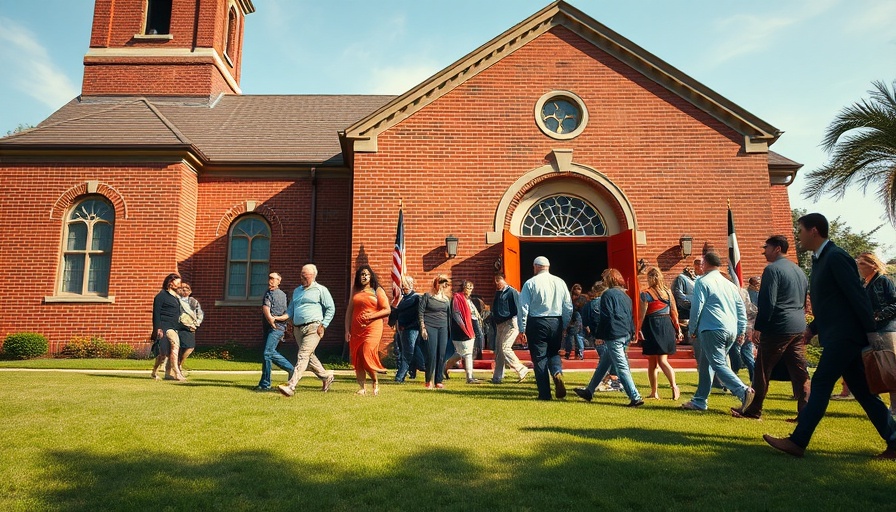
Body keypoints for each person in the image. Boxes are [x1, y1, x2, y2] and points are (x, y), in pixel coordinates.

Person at [763, 213, 896, 459]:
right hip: (838, 335)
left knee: (822, 383)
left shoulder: (836, 257)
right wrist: (812, 329)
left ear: (814, 231)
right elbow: (831, 303)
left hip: (846, 336)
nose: (798, 235)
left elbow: (856, 296)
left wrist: (870, 332)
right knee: (864, 392)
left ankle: (798, 441)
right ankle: (894, 439)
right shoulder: (819, 259)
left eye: (800, 230)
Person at [732, 235, 810, 420]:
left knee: (762, 369)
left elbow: (768, 302)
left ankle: (753, 410)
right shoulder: (799, 271)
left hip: (778, 326)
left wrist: (759, 327)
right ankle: (806, 413)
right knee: (800, 371)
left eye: (766, 247)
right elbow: (804, 300)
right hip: (798, 325)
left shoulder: (772, 270)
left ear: (776, 248)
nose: (763, 251)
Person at [680, 252, 754, 412]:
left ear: (705, 263)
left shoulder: (702, 282)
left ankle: (743, 391)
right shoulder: (730, 284)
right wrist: (741, 330)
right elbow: (741, 308)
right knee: (707, 365)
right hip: (731, 329)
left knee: (718, 363)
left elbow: (696, 307)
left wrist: (692, 329)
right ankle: (699, 401)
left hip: (712, 328)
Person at [573, 268, 643, 407]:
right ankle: (589, 391)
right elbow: (630, 315)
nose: (603, 281)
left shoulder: (607, 294)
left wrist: (600, 335)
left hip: (614, 334)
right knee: (603, 365)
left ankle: (635, 397)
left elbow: (607, 316)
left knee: (621, 366)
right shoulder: (626, 296)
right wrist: (633, 332)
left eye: (605, 279)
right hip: (625, 333)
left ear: (609, 280)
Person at [517, 256, 573, 400]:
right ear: (548, 266)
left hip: (537, 321)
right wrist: (564, 324)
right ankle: (556, 372)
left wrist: (522, 329)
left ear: (535, 266)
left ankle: (544, 393)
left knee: (539, 357)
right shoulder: (560, 282)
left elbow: (523, 308)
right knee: (553, 352)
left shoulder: (530, 283)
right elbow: (568, 306)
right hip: (556, 320)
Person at [277, 264, 336, 397]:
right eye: (301, 275)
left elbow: (331, 308)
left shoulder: (321, 290)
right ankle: (326, 377)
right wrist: (281, 318)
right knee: (309, 357)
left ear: (313, 276)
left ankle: (291, 386)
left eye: (305, 275)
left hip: (314, 327)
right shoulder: (297, 291)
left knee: (303, 355)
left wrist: (323, 325)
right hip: (298, 329)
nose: (302, 277)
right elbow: (291, 309)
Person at [856, 251, 896, 417]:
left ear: (872, 265)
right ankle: (882, 406)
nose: (859, 267)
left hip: (886, 329)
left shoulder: (883, 281)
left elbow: (895, 303)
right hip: (871, 331)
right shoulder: (863, 283)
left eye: (862, 264)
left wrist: (879, 315)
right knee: (875, 369)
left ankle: (894, 407)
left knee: (891, 369)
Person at [345, 265, 391, 395]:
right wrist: (346, 330)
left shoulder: (377, 290)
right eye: (361, 274)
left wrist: (371, 316)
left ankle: (375, 381)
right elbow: (349, 311)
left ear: (371, 276)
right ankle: (362, 387)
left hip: (373, 327)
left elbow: (387, 310)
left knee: (366, 353)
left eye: (366, 274)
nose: (364, 277)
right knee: (358, 357)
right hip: (356, 328)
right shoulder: (356, 290)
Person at [638, 267, 682, 400]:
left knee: (653, 362)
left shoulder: (645, 293)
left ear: (650, 279)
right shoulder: (668, 293)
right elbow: (674, 312)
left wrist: (638, 329)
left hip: (652, 326)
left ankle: (655, 391)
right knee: (663, 360)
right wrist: (678, 329)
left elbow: (642, 314)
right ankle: (673, 386)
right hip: (666, 325)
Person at [256, 273, 294, 391]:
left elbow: (266, 309)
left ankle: (291, 369)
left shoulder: (272, 294)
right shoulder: (277, 294)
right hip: (274, 327)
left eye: (273, 279)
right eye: (269, 278)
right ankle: (264, 384)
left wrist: (272, 321)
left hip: (276, 328)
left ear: (279, 281)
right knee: (266, 355)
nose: (270, 281)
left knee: (268, 353)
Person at [490, 273, 529, 384]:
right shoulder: (498, 293)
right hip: (499, 325)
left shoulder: (512, 292)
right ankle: (497, 377)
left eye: (499, 280)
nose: (497, 283)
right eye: (495, 281)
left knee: (505, 347)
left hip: (510, 323)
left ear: (504, 280)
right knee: (499, 352)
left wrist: (522, 328)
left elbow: (519, 308)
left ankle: (521, 369)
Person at [419, 274, 452, 389]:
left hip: (443, 328)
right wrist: (423, 328)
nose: (443, 285)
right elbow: (421, 312)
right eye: (441, 283)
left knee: (441, 354)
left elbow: (449, 315)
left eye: (445, 284)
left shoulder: (446, 299)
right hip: (430, 326)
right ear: (436, 284)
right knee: (431, 354)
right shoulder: (427, 296)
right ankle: (429, 380)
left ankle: (439, 380)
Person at [445, 280, 482, 384]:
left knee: (463, 353)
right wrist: (464, 327)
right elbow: (456, 315)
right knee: (466, 353)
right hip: (460, 330)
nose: (469, 290)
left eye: (471, 288)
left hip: (470, 328)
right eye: (468, 288)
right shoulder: (457, 298)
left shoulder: (469, 300)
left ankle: (445, 366)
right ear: (463, 288)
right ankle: (469, 377)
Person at [151, 273, 186, 381]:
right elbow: (156, 314)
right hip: (165, 326)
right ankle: (177, 373)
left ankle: (154, 371)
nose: (179, 285)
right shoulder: (161, 296)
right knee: (175, 346)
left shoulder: (176, 297)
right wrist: (157, 329)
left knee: (163, 354)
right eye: (177, 282)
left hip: (174, 326)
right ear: (170, 283)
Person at [391, 276, 425, 383]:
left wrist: (408, 326)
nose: (402, 289)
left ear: (410, 286)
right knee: (414, 353)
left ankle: (399, 377)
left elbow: (418, 315)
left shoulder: (415, 298)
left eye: (404, 287)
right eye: (402, 287)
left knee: (407, 354)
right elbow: (397, 312)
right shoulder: (403, 299)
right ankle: (427, 370)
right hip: (402, 329)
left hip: (412, 329)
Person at [176, 282, 203, 375]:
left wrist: (196, 324)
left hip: (191, 326)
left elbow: (199, 313)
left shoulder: (194, 301)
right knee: (180, 348)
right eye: (182, 288)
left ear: (190, 291)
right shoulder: (177, 301)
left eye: (187, 288)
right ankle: (177, 367)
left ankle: (180, 364)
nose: (184, 290)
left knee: (190, 347)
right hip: (180, 326)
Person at [672, 263, 698, 341]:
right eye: (691, 271)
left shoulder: (699, 279)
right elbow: (678, 294)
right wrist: (688, 305)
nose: (692, 273)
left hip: (696, 311)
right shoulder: (681, 278)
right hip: (685, 312)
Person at [564, 296, 586, 360]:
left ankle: (570, 352)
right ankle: (579, 352)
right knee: (577, 337)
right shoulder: (578, 308)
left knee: (572, 337)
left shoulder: (573, 307)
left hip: (574, 322)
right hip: (575, 322)